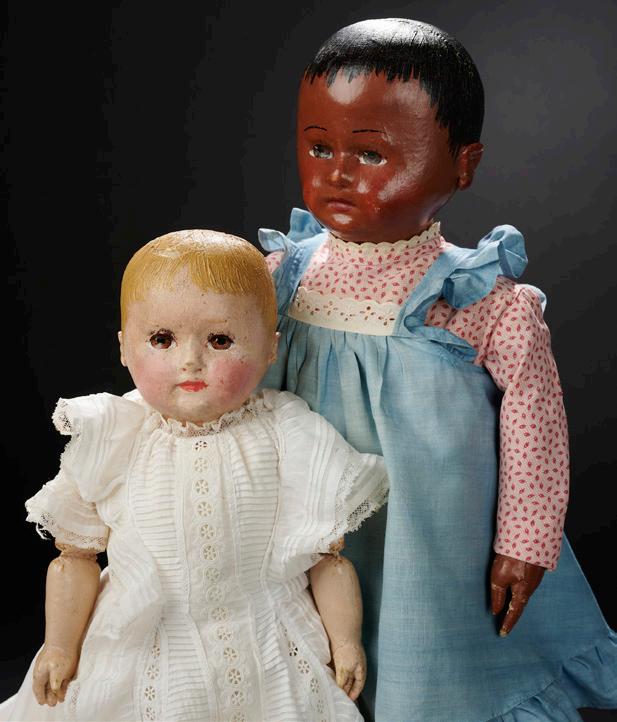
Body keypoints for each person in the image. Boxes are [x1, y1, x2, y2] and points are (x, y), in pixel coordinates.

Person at [258, 17, 617, 722]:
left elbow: (535, 429)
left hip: (428, 534)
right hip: (304, 519)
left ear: (462, 164)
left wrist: (525, 541)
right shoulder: (280, 277)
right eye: (319, 146)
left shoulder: (480, 298)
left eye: (370, 154)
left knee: (422, 659)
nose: (336, 172)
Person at [0, 229, 388, 722]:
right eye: (162, 339)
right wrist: (60, 646)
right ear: (124, 348)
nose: (190, 361)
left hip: (267, 640)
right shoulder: (115, 435)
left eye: (220, 340)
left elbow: (327, 559)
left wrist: (345, 640)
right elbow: (75, 556)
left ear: (270, 348)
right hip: (145, 641)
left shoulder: (289, 433)